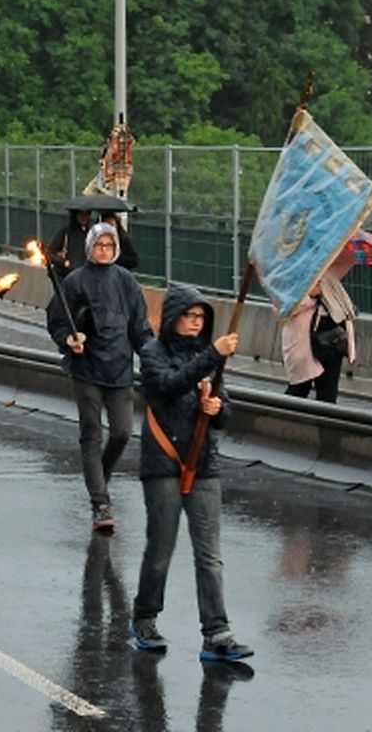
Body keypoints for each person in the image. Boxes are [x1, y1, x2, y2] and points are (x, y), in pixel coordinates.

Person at [128, 283, 253, 663]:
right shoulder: (153, 353)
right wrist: (213, 356)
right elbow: (167, 385)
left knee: (209, 554)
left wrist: (216, 407)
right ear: (172, 318)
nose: (196, 323)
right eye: (190, 316)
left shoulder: (206, 356)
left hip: (203, 465)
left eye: (201, 317)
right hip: (163, 463)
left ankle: (216, 633)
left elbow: (225, 416)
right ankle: (145, 618)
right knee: (161, 548)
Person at [46, 222, 154, 532]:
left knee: (122, 432)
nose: (103, 251)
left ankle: (99, 477)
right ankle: (100, 503)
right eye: (98, 245)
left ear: (116, 248)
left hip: (120, 369)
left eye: (109, 246)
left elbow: (140, 327)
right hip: (87, 370)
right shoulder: (74, 281)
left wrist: (151, 356)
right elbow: (56, 320)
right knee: (91, 435)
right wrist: (68, 339)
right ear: (90, 248)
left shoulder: (127, 282)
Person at [282, 267, 355, 404]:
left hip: (331, 342)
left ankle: (324, 425)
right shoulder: (291, 274)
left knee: (327, 394)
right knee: (299, 388)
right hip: (304, 343)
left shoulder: (328, 271)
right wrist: (310, 294)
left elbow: (343, 307)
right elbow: (282, 308)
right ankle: (281, 421)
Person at [46, 209, 91, 278]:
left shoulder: (90, 234)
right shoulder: (66, 233)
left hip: (85, 275)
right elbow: (49, 253)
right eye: (81, 215)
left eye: (86, 214)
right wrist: (63, 262)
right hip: (66, 275)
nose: (84, 217)